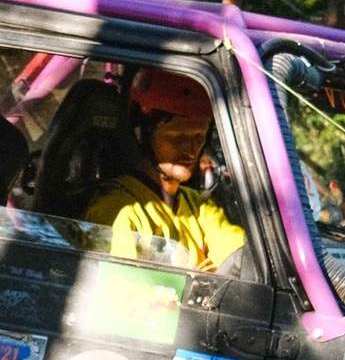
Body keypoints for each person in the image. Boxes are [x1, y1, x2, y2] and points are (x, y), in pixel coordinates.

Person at [83, 67, 248, 271]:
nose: (192, 149)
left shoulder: (199, 206)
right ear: (142, 134)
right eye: (177, 137)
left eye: (199, 135)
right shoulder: (118, 210)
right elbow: (125, 294)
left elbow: (241, 259)